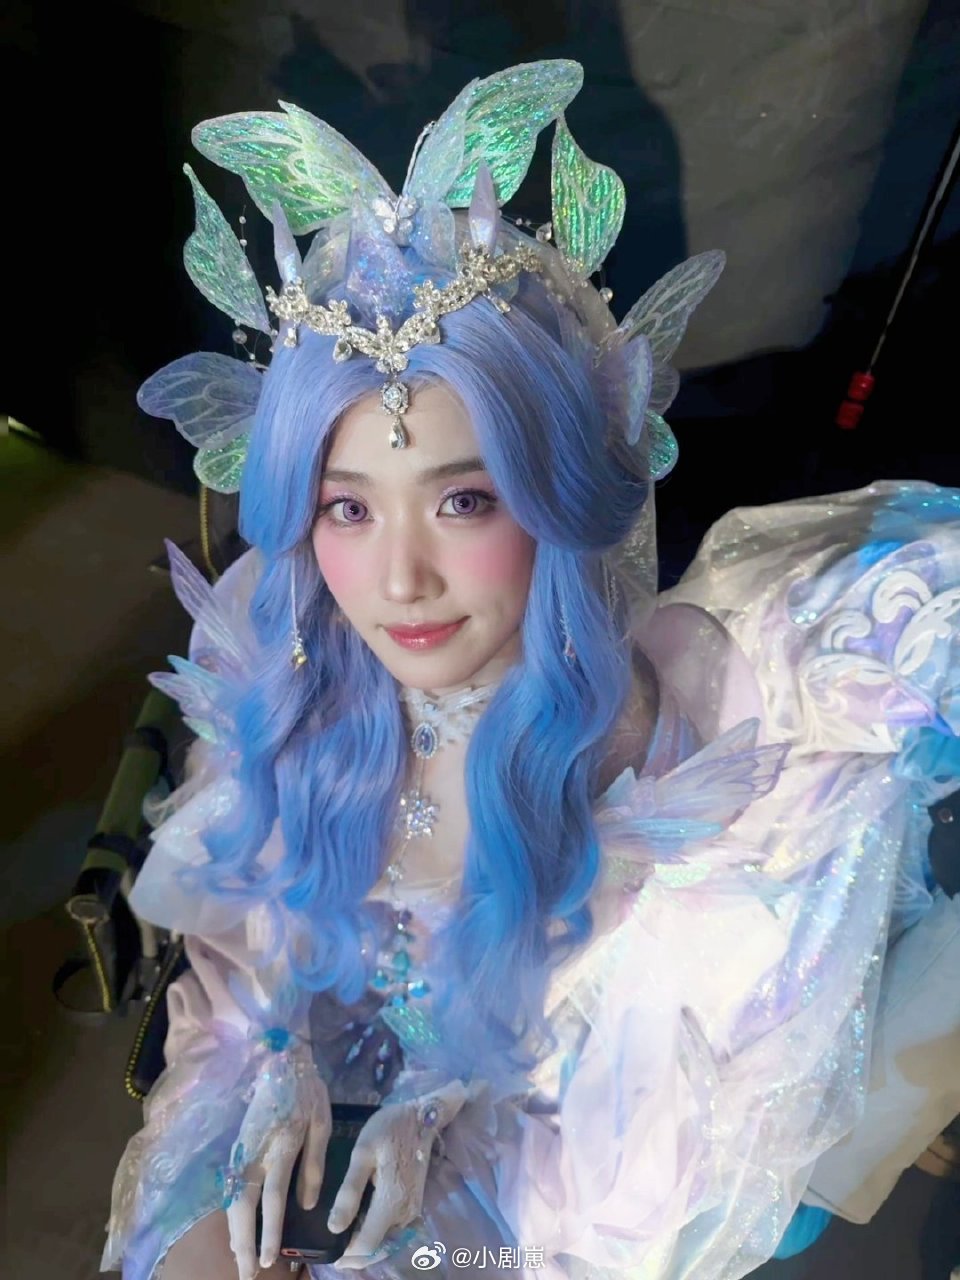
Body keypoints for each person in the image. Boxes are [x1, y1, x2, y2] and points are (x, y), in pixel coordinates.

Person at [101, 61, 959, 1280]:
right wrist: (285, 1061)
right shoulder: (292, 664)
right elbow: (248, 964)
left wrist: (446, 1101)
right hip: (302, 1112)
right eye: (349, 507)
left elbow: (611, 1082)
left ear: (554, 498)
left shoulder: (665, 725)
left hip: (539, 1159)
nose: (400, 580)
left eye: (463, 499)